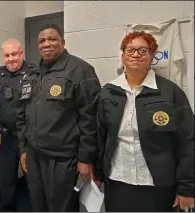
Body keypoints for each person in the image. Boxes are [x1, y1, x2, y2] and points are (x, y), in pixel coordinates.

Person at [94, 31, 194, 212]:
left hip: (158, 186)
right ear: (122, 56)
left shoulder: (171, 93)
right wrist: (98, 173)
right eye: (130, 50)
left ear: (152, 56)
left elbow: (188, 142)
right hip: (117, 182)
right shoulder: (108, 92)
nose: (136, 54)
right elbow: (100, 137)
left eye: (142, 50)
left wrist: (187, 188)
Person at [16, 24, 101, 211]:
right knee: (38, 205)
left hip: (63, 159)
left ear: (63, 42)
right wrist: (23, 149)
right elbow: (22, 114)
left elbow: (91, 118)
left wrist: (86, 159)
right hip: (34, 155)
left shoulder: (80, 70)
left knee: (61, 208)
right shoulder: (31, 74)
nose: (46, 44)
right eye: (41, 41)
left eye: (52, 39)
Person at [0, 39, 35, 212]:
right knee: (6, 182)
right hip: (7, 137)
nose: (11, 59)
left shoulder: (34, 73)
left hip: (29, 137)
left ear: (21, 53)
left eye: (14, 54)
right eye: (7, 55)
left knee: (32, 181)